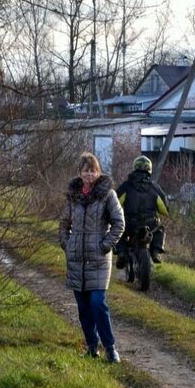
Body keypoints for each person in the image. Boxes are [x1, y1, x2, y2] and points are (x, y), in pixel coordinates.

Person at [59, 152, 125, 362]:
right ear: (80, 173)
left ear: (98, 172)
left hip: (98, 259)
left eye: (93, 170)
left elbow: (119, 223)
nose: (89, 174)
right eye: (86, 170)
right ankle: (91, 346)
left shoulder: (108, 195)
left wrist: (104, 245)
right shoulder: (73, 196)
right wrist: (67, 244)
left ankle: (110, 348)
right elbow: (63, 223)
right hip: (76, 259)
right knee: (83, 307)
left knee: (98, 303)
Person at [115, 155, 170, 263]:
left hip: (130, 223)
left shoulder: (126, 186)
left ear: (135, 167)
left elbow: (115, 205)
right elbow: (165, 210)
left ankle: (121, 252)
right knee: (160, 230)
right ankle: (155, 252)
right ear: (149, 169)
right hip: (150, 224)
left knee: (117, 229)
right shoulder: (155, 187)